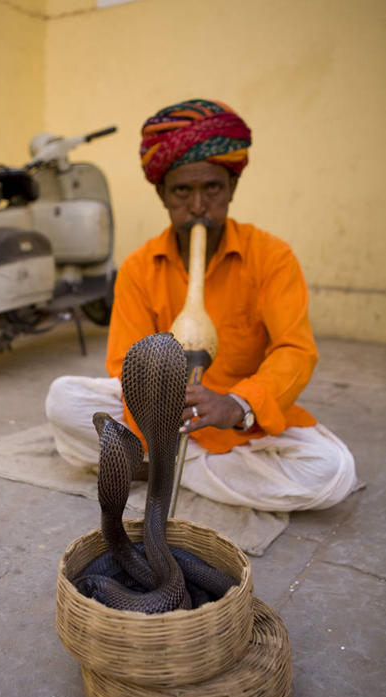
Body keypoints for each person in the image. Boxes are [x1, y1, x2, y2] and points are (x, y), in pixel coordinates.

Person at [45, 99, 357, 512]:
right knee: (63, 399)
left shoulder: (272, 257)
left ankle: (163, 466)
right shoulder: (139, 267)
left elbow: (295, 351)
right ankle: (185, 462)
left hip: (239, 419)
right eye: (182, 191)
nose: (197, 206)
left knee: (334, 472)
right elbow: (123, 363)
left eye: (212, 188)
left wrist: (238, 404)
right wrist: (167, 402)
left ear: (231, 188)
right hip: (163, 415)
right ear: (162, 194)